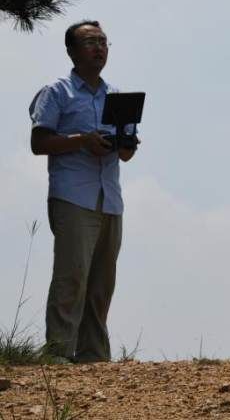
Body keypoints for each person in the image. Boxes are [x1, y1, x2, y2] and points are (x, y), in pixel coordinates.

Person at [28, 20, 138, 363]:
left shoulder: (116, 96)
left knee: (102, 282)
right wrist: (82, 141)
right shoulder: (57, 91)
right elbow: (38, 142)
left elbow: (127, 153)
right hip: (73, 194)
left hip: (110, 198)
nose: (99, 48)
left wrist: (124, 143)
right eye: (90, 42)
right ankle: (59, 355)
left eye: (104, 41)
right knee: (71, 275)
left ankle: (93, 357)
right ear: (72, 51)